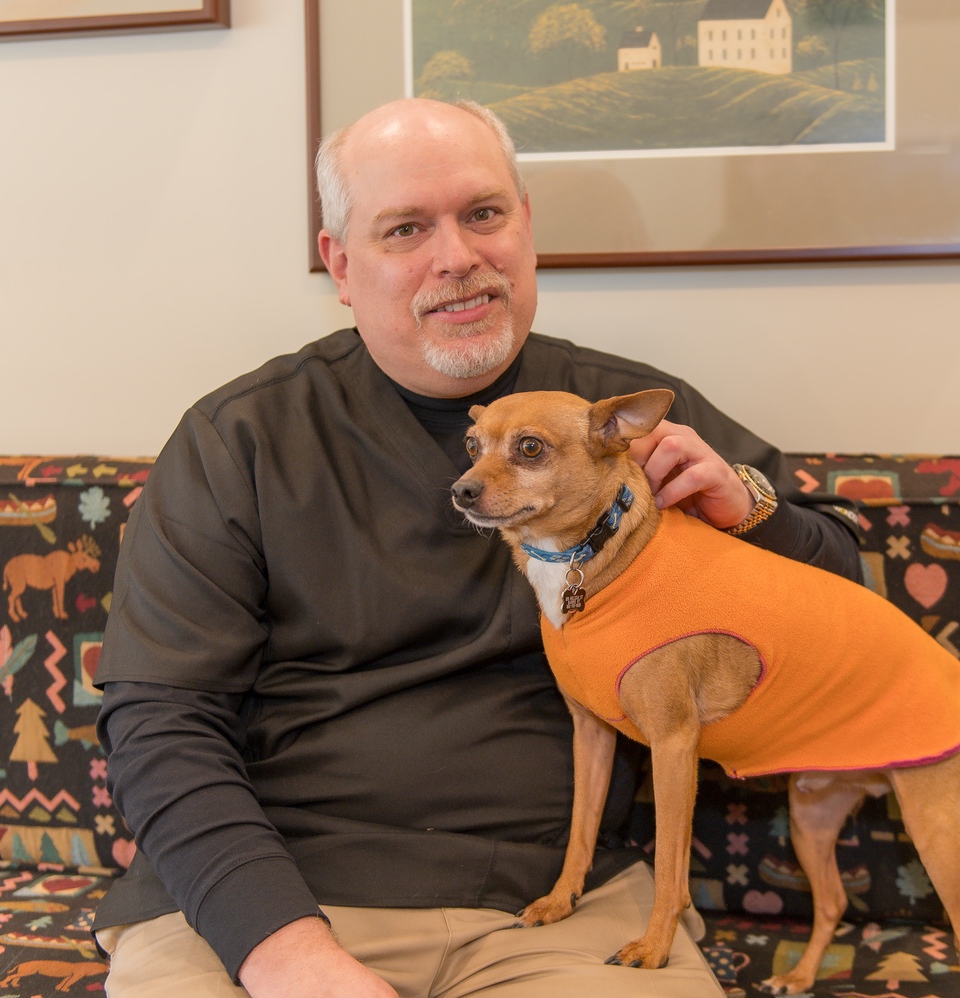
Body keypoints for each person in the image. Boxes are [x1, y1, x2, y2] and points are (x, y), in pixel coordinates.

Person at [92, 98, 862, 998]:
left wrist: (749, 509)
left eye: (483, 214)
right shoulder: (240, 439)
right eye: (406, 228)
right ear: (341, 264)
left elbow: (848, 595)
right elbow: (159, 725)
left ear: (526, 227)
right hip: (278, 899)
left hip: (563, 909)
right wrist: (288, 956)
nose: (457, 256)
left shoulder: (625, 420)